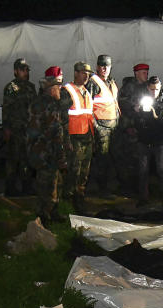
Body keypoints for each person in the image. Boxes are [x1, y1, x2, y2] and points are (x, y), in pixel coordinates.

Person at [25, 67, 67, 224]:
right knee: (47, 185)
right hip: (45, 152)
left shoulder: (40, 102)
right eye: (58, 87)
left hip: (40, 151)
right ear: (51, 89)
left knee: (54, 183)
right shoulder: (49, 105)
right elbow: (56, 133)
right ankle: (44, 216)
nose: (60, 89)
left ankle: (52, 213)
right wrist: (62, 158)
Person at [60, 62, 94, 212]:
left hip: (87, 137)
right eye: (82, 72)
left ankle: (79, 197)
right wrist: (66, 140)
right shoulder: (67, 91)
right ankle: (68, 199)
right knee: (74, 170)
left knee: (84, 171)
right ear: (75, 73)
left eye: (88, 73)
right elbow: (62, 118)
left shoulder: (86, 92)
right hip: (74, 138)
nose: (86, 76)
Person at [135, 76, 163, 206]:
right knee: (143, 170)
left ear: (160, 87)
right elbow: (136, 123)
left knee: (162, 170)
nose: (154, 92)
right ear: (148, 88)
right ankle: (143, 199)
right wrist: (138, 113)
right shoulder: (142, 101)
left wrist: (156, 117)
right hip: (144, 141)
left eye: (157, 89)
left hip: (160, 142)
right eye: (151, 89)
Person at [1, 58, 37, 196]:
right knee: (13, 160)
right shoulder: (11, 87)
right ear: (16, 71)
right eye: (22, 69)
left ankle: (27, 187)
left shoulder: (31, 87)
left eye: (27, 69)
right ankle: (10, 188)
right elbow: (6, 109)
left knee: (27, 159)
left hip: (28, 130)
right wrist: (6, 128)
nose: (25, 72)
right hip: (15, 129)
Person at [86, 54, 121, 192]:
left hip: (114, 128)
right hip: (102, 128)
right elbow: (87, 108)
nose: (104, 68)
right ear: (97, 67)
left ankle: (110, 186)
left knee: (112, 159)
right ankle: (102, 189)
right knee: (102, 160)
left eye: (107, 66)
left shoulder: (111, 82)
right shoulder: (93, 82)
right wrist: (97, 127)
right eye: (102, 66)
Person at [116, 63, 151, 195]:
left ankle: (139, 187)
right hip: (130, 126)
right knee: (130, 159)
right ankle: (127, 187)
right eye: (143, 72)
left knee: (141, 159)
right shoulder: (129, 86)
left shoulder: (147, 87)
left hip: (142, 127)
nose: (145, 75)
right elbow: (121, 101)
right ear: (136, 73)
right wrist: (133, 106)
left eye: (146, 72)